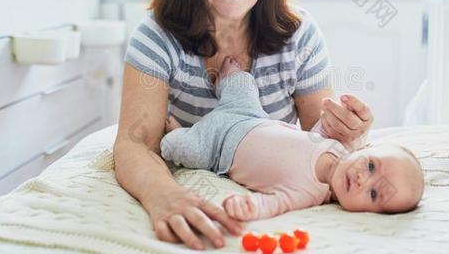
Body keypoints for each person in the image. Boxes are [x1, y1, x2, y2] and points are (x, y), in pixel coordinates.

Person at [113, 0, 374, 251]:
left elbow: (320, 135)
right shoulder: (156, 37)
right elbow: (134, 144)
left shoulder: (299, 33)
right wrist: (164, 196)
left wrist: (351, 131)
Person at [161, 56, 424, 220]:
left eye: (374, 194)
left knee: (181, 149)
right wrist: (338, 118)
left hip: (217, 148)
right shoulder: (335, 147)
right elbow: (316, 134)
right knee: (243, 87)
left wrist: (249, 207)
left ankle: (177, 133)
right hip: (249, 116)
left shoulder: (307, 193)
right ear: (366, 148)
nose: (361, 178)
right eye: (370, 166)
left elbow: (272, 204)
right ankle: (231, 77)